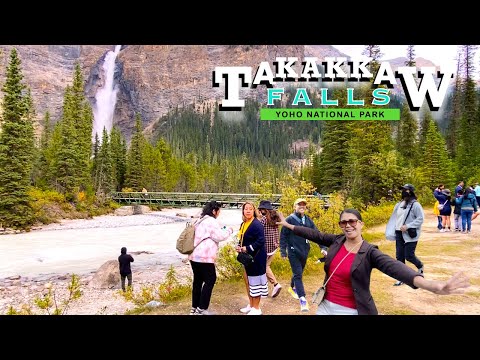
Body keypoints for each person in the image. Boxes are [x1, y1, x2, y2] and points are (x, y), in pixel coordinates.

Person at [277, 209, 470, 315]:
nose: (347, 225)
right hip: (325, 306)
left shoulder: (369, 252)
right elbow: (313, 234)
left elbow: (396, 269)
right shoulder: (337, 241)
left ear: (361, 224)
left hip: (351, 310)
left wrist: (433, 286)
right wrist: (287, 224)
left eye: (352, 221)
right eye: (343, 222)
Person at [280, 198, 328, 312]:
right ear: (294, 206)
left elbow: (316, 234)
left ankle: (292, 288)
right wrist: (283, 251)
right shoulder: (289, 219)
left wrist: (323, 247)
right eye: (299, 204)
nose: (302, 206)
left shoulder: (308, 220)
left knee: (298, 272)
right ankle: (302, 299)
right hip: (293, 251)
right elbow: (283, 236)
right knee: (298, 274)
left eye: (304, 205)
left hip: (304, 251)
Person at [188, 200, 233, 315]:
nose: (219, 213)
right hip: (205, 256)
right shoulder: (211, 221)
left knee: (197, 281)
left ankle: (194, 308)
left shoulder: (200, 219)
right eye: (219, 211)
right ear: (214, 211)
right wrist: (229, 230)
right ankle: (202, 308)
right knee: (210, 279)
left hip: (194, 255)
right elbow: (219, 236)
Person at [385, 184, 424, 286]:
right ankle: (401, 278)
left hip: (409, 234)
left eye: (405, 190)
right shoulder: (399, 204)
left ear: (410, 192)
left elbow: (420, 218)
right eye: (402, 190)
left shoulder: (415, 205)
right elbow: (395, 218)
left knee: (409, 256)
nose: (403, 192)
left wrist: (408, 226)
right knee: (399, 256)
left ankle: (420, 266)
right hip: (399, 233)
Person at [236, 201, 268, 315]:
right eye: (246, 209)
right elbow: (241, 238)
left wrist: (247, 248)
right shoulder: (243, 224)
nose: (248, 211)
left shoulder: (257, 224)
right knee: (248, 281)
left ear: (254, 210)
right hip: (247, 258)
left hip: (257, 257)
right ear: (243, 211)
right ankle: (251, 304)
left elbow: (261, 241)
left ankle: (257, 308)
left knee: (256, 282)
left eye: (250, 209)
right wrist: (239, 246)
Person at [258, 200, 282, 298]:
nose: (260, 211)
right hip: (274, 246)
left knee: (264, 267)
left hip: (265, 248)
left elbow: (258, 231)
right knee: (265, 267)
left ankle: (275, 284)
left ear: (264, 210)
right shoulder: (275, 218)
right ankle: (265, 287)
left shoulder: (263, 219)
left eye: (261, 209)